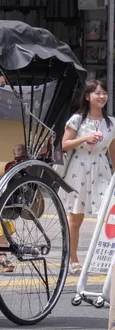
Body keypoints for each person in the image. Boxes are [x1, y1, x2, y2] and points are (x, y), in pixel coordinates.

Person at [59, 79, 115, 275]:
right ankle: (72, 258)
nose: (102, 96)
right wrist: (85, 138)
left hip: (101, 169)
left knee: (108, 213)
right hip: (79, 168)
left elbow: (113, 152)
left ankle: (105, 258)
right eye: (98, 93)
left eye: (104, 93)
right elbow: (65, 145)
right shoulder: (77, 120)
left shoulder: (112, 123)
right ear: (87, 97)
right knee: (76, 218)